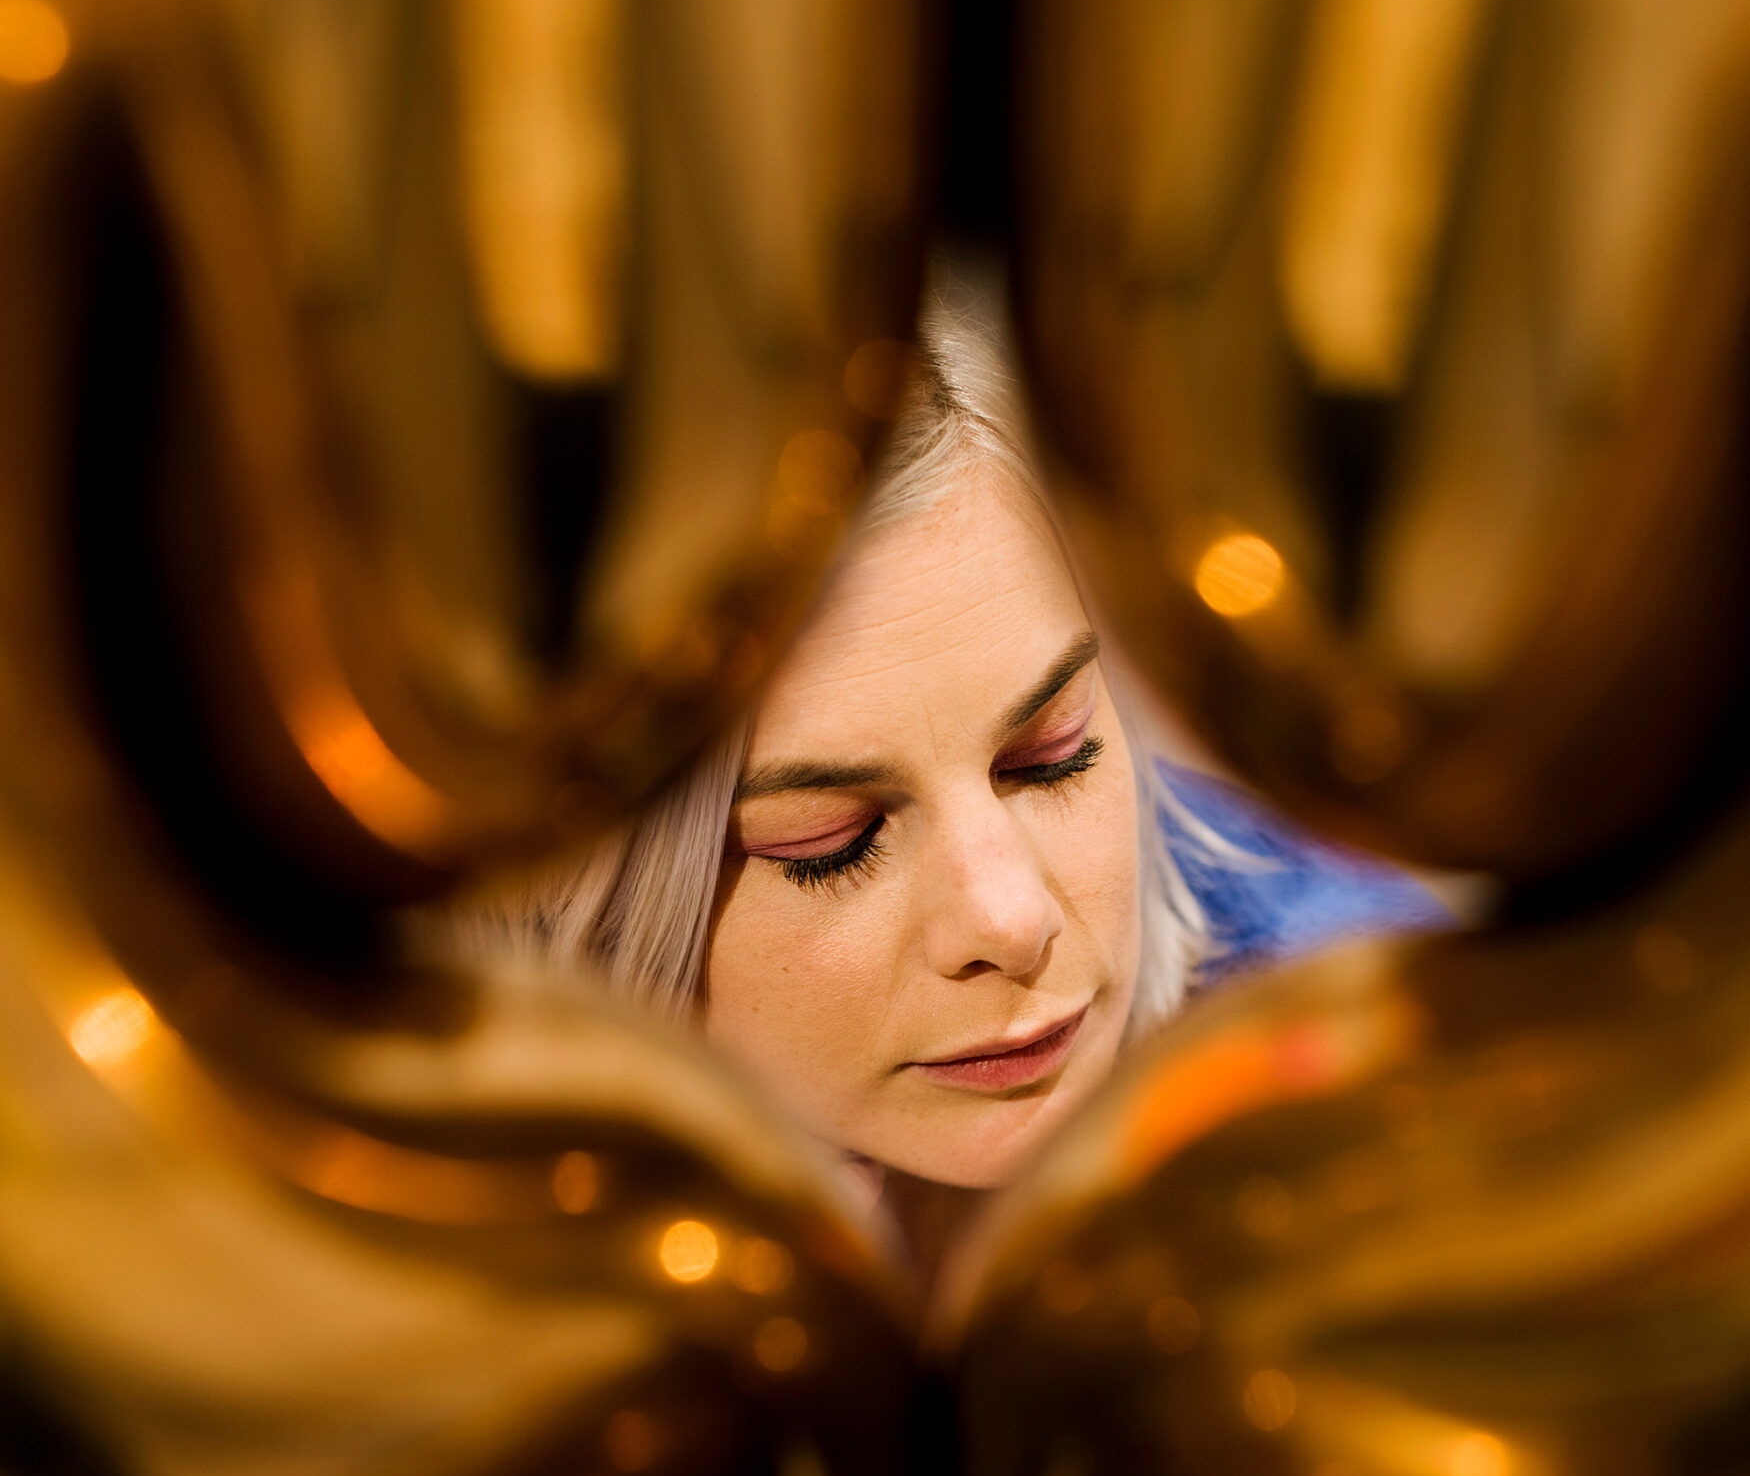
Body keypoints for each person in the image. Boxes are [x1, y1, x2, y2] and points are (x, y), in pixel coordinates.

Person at [457, 288, 1445, 1267]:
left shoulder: (1380, 1052)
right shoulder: (424, 1213)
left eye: (1052, 755)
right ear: (580, 900)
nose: (1010, 922)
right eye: (827, 840)